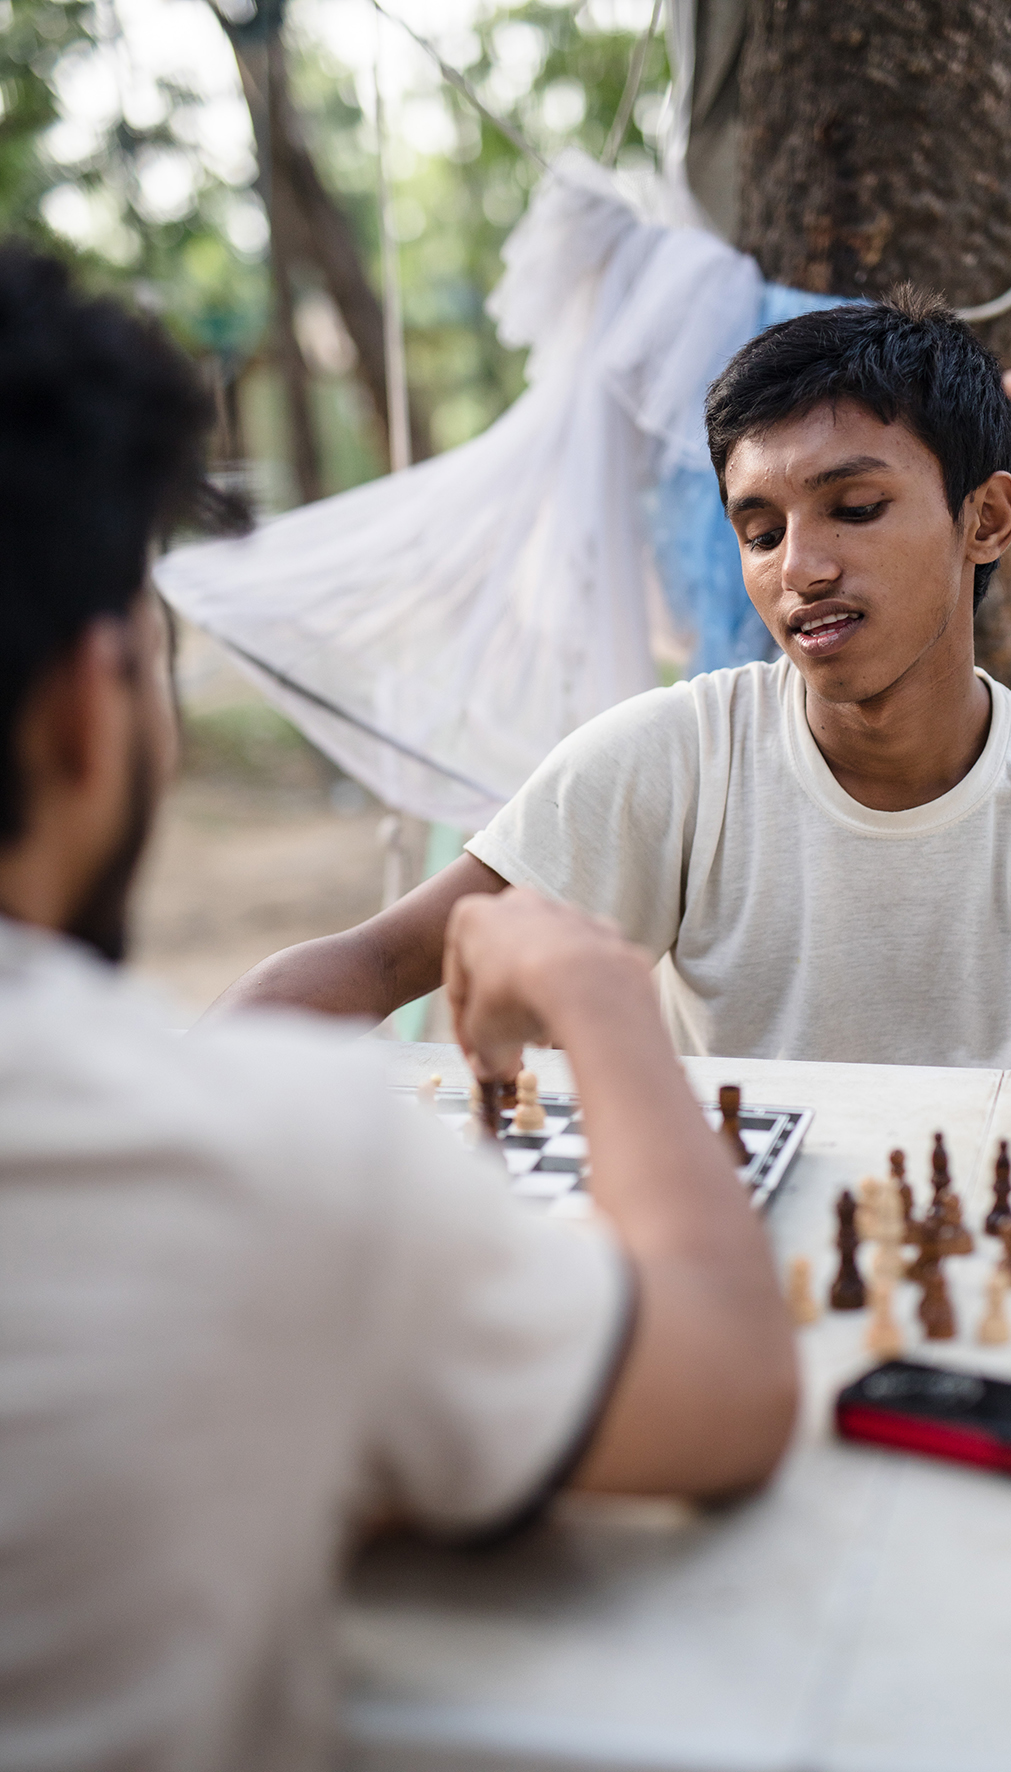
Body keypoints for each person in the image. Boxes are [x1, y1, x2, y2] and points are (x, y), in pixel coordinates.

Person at [0, 244, 796, 1772]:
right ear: (87, 711)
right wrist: (602, 1001)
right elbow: (726, 1387)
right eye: (754, 526)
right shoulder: (278, 1171)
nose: (796, 567)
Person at [213, 290, 1011, 1106]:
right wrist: (181, 1104)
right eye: (759, 531)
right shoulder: (677, 758)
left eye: (852, 508)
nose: (798, 567)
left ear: (986, 519)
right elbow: (380, 962)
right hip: (728, 1283)